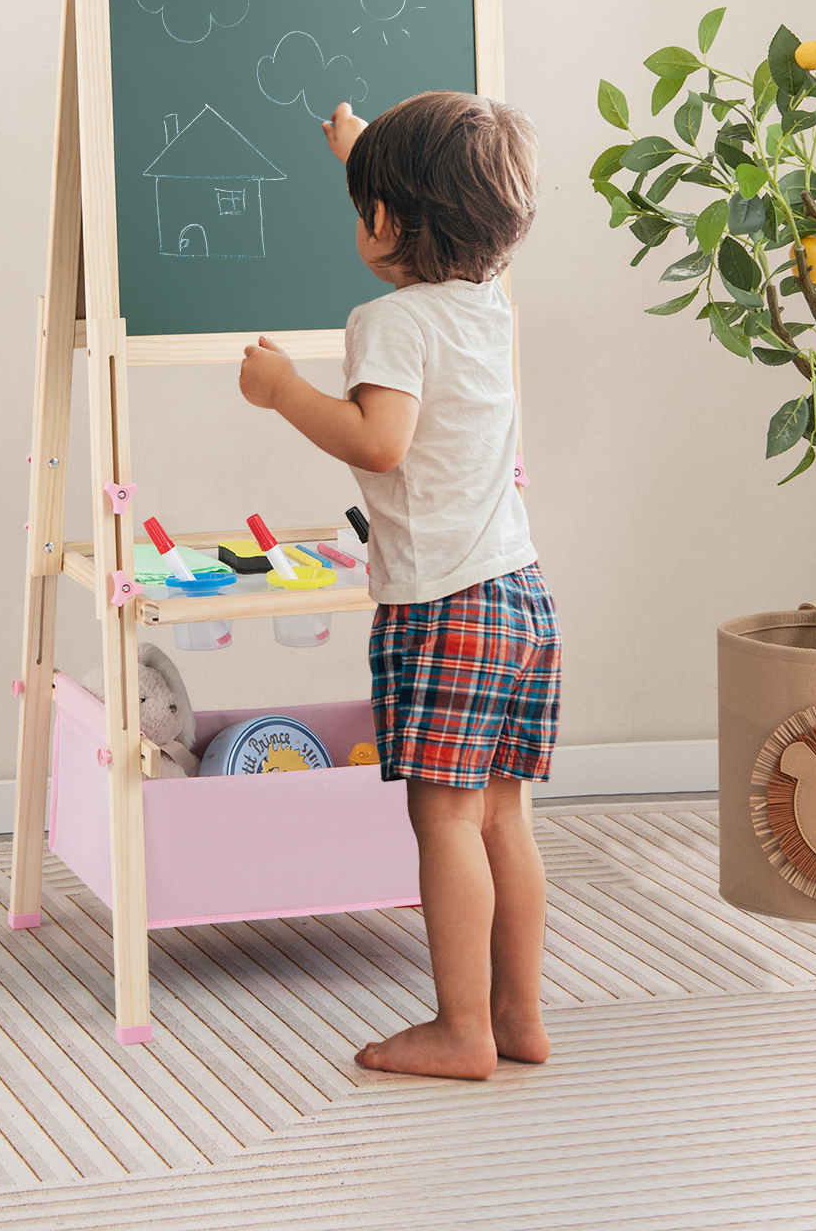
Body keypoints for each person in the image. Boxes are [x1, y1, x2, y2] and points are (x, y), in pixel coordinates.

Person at [238, 90, 559, 1081]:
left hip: (442, 604)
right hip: (519, 595)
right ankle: (517, 1015)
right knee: (503, 815)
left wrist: (284, 391)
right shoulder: (490, 304)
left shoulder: (388, 320)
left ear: (381, 222)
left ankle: (460, 1027)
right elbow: (427, 214)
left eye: (363, 205)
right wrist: (362, 152)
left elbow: (379, 440)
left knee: (445, 821)